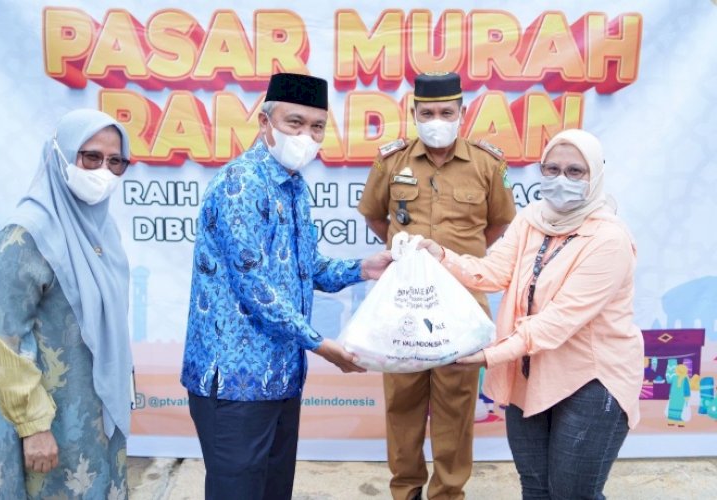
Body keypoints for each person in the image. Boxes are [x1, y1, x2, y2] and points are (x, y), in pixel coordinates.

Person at [180, 72, 393, 500]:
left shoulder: (293, 184)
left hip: (280, 375)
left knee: (273, 491)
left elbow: (305, 266)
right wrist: (320, 344)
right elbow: (256, 288)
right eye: (295, 123)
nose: (306, 135)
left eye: (317, 126)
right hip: (237, 381)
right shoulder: (240, 185)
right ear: (265, 122)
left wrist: (363, 269)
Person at [418, 129, 644, 499]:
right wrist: (440, 256)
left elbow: (559, 322)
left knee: (571, 493)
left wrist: (488, 356)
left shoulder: (610, 239)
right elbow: (492, 273)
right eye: (551, 169)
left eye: (575, 172)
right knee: (536, 489)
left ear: (596, 176)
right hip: (528, 373)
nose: (560, 180)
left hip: (591, 379)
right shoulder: (531, 220)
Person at [357, 71, 516, 500]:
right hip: (403, 306)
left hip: (461, 306)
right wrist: (406, 261)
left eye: (446, 111)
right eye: (427, 112)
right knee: (403, 403)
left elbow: (501, 223)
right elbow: (376, 217)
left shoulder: (487, 164)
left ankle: (447, 493)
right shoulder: (392, 162)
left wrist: (459, 263)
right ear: (414, 114)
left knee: (455, 407)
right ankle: (405, 490)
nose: (437, 119)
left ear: (462, 112)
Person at [0, 109, 134, 499]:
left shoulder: (102, 230)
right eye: (91, 157)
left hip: (93, 415)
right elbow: (6, 339)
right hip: (46, 421)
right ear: (61, 156)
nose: (104, 170)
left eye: (115, 161)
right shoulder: (23, 236)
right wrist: (33, 428)